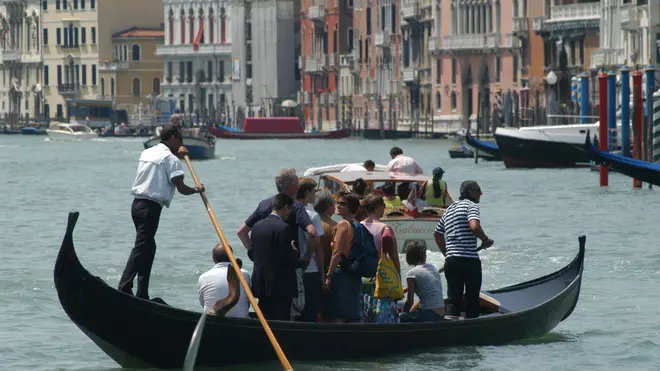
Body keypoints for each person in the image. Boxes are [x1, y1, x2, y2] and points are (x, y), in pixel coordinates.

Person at [118, 124, 204, 299]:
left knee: (148, 247)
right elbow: (181, 188)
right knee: (142, 247)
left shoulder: (148, 152)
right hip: (150, 208)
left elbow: (162, 165)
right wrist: (197, 189)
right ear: (173, 138)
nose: (181, 143)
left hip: (136, 205)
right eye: (180, 139)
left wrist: (177, 155)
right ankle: (124, 287)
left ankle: (142, 293)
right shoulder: (170, 159)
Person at [434, 180, 494, 319]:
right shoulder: (471, 206)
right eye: (478, 190)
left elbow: (437, 234)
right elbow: (474, 226)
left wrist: (448, 254)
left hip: (452, 261)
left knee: (454, 299)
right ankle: (471, 328)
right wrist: (485, 239)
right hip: (468, 260)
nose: (481, 193)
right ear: (470, 192)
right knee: (472, 299)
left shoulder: (448, 210)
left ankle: (451, 328)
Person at [250, 193, 310, 320]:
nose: (289, 213)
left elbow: (254, 253)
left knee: (264, 319)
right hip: (280, 286)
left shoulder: (256, 226)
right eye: (290, 209)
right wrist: (296, 252)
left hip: (261, 283)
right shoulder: (283, 228)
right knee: (280, 320)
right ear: (284, 208)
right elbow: (288, 259)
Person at [237, 168, 317, 258]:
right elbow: (312, 232)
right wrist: (306, 258)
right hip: (288, 264)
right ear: (289, 186)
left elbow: (242, 232)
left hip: (265, 263)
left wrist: (254, 253)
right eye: (296, 185)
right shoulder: (296, 206)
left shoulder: (264, 205)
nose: (298, 188)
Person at [360, 194, 401, 323]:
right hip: (380, 278)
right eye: (384, 206)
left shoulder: (358, 226)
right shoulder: (384, 228)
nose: (384, 209)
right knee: (383, 316)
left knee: (365, 313)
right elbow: (393, 256)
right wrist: (397, 277)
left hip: (362, 276)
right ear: (377, 206)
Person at [324, 191, 362, 323]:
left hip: (341, 273)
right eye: (337, 203)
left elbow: (337, 252)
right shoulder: (358, 224)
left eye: (342, 204)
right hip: (354, 273)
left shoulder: (343, 225)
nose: (338, 206)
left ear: (350, 207)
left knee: (338, 315)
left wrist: (328, 275)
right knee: (352, 315)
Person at [294, 177, 326, 322]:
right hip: (310, 269)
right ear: (307, 191)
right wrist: (322, 276)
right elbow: (318, 249)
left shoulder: (289, 211)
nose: (315, 195)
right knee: (310, 312)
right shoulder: (312, 216)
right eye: (313, 191)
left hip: (292, 269)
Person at [197, 243, 251, 318]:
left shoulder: (203, 277)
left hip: (211, 321)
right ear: (232, 257)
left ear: (213, 258)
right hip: (240, 320)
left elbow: (203, 304)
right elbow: (248, 302)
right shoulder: (244, 274)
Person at [400, 241, 446, 322]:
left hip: (429, 314)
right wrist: (411, 311)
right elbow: (426, 295)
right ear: (424, 256)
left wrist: (402, 315)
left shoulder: (411, 273)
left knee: (401, 316)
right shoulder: (433, 268)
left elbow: (409, 302)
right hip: (441, 314)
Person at [313, 190, 338, 321]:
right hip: (328, 269)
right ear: (329, 206)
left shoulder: (310, 223)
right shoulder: (334, 227)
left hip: (311, 270)